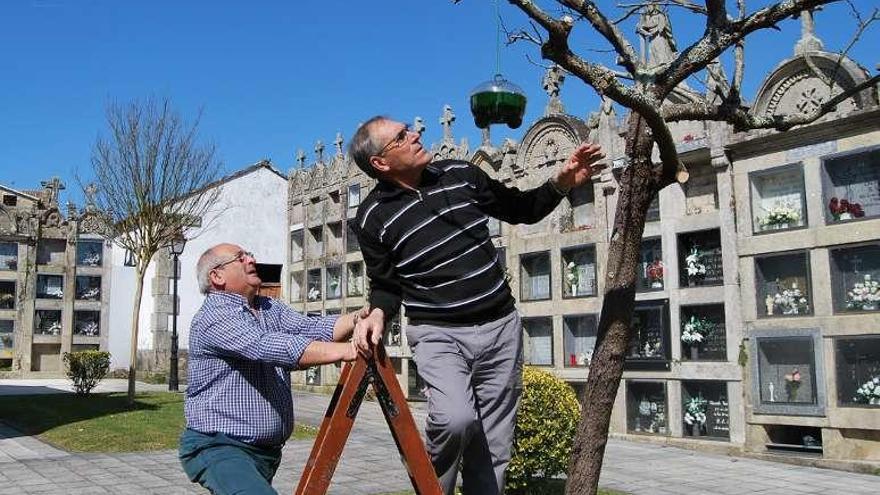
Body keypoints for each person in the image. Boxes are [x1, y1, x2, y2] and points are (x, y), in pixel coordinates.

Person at [348, 116, 605, 494]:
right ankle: (432, 488)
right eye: (401, 136)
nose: (416, 135)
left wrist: (563, 181)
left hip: (500, 327)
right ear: (381, 164)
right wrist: (378, 313)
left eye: (410, 128)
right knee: (454, 419)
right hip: (438, 334)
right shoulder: (371, 217)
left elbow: (521, 209)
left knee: (493, 447)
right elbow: (386, 283)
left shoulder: (461, 174)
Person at [179, 243, 363, 495]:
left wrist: (361, 318)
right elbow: (266, 346)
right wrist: (349, 350)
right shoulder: (213, 317)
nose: (251, 259)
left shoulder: (269, 308)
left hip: (265, 453)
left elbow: (316, 329)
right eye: (240, 258)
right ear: (217, 276)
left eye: (250, 254)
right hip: (219, 446)